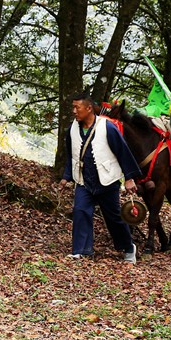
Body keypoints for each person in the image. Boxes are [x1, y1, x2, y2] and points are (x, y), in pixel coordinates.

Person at [59, 93, 143, 262]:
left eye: (77, 107)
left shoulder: (107, 127)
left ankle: (128, 247)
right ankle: (81, 251)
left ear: (89, 108)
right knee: (80, 211)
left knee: (114, 218)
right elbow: (72, 155)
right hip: (83, 180)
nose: (74, 111)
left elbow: (123, 153)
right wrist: (66, 176)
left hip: (107, 180)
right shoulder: (72, 129)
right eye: (73, 107)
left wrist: (129, 178)